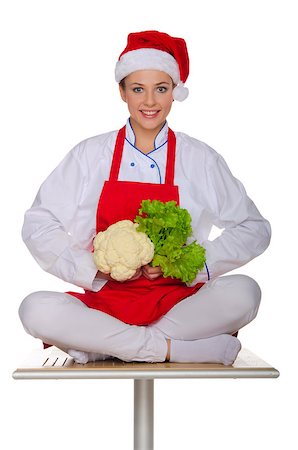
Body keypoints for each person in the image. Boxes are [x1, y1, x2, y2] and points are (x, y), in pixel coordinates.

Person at [19, 30, 271, 365]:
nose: (149, 101)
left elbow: (254, 229)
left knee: (245, 293)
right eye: (138, 88)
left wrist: (187, 264)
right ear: (122, 92)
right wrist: (92, 269)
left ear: (174, 93)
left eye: (161, 89)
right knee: (34, 309)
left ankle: (106, 346)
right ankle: (172, 349)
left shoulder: (200, 158)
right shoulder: (89, 155)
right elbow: (38, 224)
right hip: (105, 301)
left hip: (180, 302)